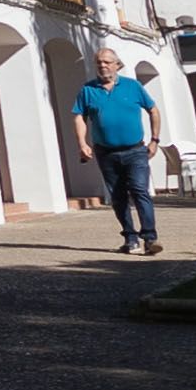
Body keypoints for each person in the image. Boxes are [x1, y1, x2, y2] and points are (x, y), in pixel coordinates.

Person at [71, 45, 164, 255]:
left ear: (117, 65)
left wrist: (154, 140)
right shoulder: (88, 90)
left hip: (135, 151)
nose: (102, 66)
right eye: (99, 63)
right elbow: (79, 117)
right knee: (118, 196)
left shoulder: (133, 86)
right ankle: (130, 239)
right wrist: (82, 144)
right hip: (106, 153)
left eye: (107, 62)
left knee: (140, 190)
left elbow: (153, 110)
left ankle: (150, 238)